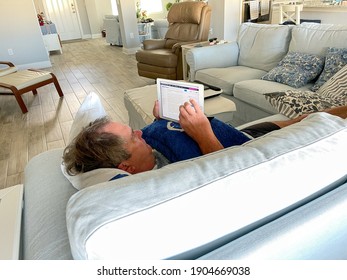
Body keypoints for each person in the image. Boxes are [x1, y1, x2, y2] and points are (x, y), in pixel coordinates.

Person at [63, 100, 347, 176]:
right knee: (314, 121)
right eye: (133, 138)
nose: (139, 133)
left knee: (299, 118)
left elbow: (152, 138)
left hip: (240, 133)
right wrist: (203, 134)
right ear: (126, 167)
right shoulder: (167, 176)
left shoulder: (142, 154)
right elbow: (230, 170)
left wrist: (160, 120)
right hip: (252, 147)